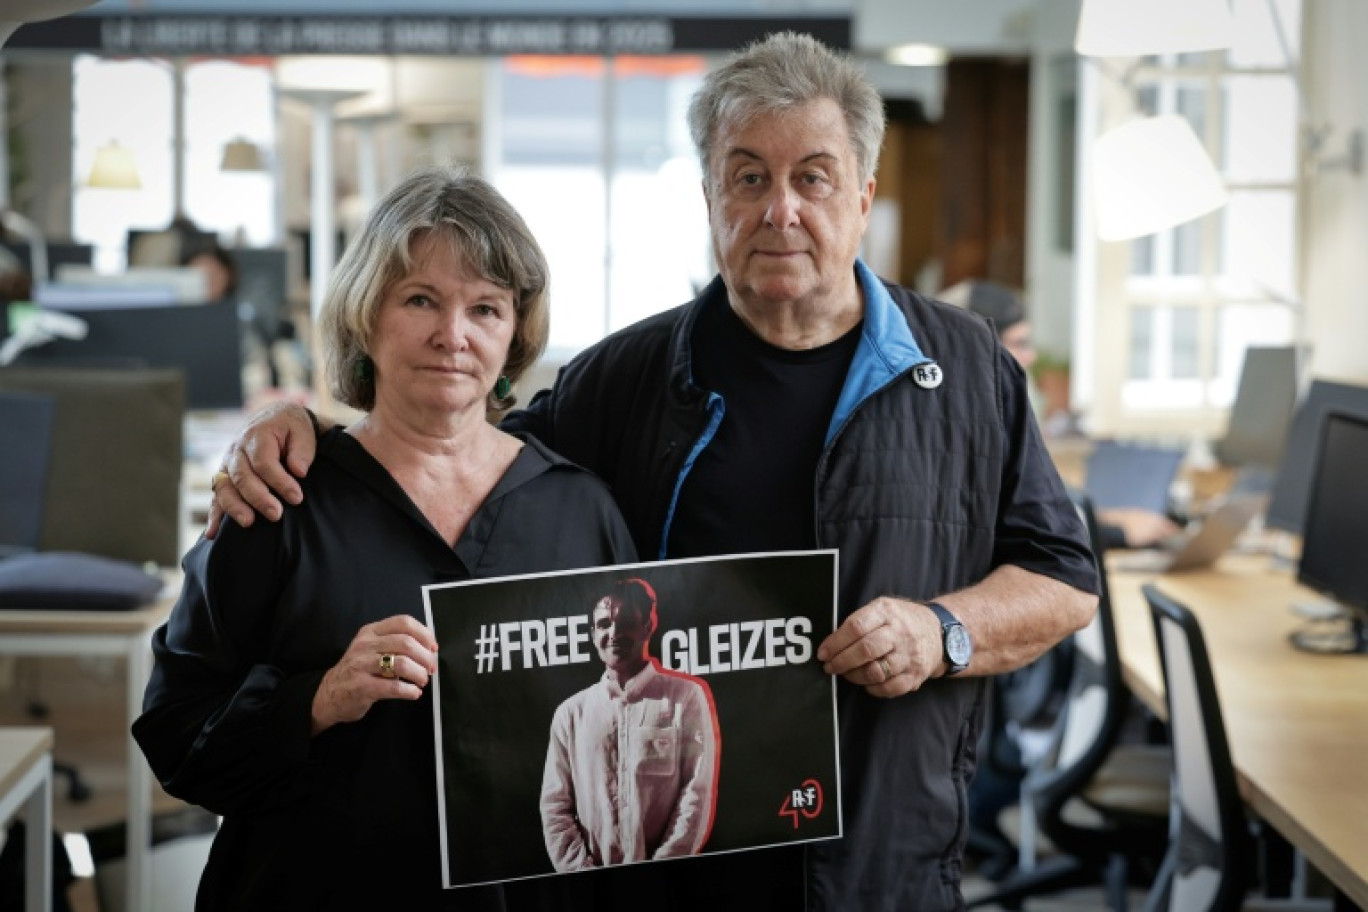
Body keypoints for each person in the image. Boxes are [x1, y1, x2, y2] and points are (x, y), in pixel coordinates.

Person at [206, 32, 1099, 911]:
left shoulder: (968, 369)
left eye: (813, 178)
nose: (780, 211)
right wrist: (302, 429)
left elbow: (1063, 578)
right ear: (710, 196)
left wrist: (942, 632)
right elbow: (454, 441)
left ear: (862, 195)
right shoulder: (625, 377)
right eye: (748, 177)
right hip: (674, 873)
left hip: (885, 856)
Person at [131, 166, 638, 910]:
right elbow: (175, 734)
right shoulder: (278, 498)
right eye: (420, 299)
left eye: (486, 309)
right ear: (366, 316)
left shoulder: (580, 510)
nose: (452, 336)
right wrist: (318, 699)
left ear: (514, 334)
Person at [949, 278, 1183, 551]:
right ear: (979, 347)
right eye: (1019, 343)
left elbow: (1026, 508)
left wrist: (1107, 518)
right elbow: (1012, 529)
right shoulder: (964, 427)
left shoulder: (983, 414)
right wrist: (1116, 532)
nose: (1031, 356)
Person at [541, 577, 719, 871]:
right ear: (592, 633)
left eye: (625, 622)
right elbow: (555, 807)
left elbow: (696, 793)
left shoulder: (685, 698)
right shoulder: (570, 715)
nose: (613, 633)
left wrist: (659, 873)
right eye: (603, 624)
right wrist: (583, 874)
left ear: (647, 626)